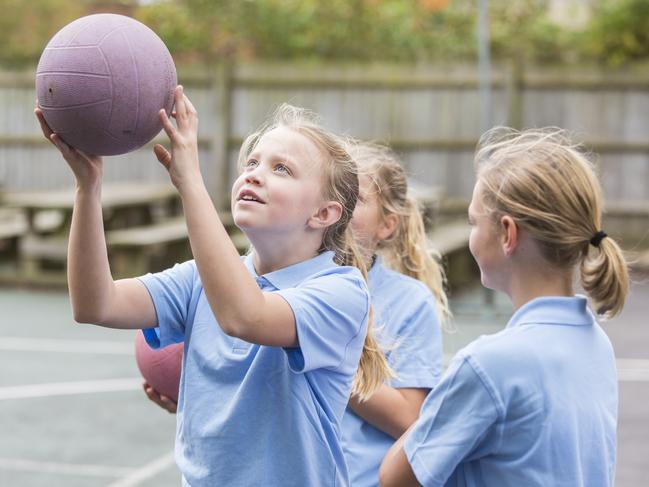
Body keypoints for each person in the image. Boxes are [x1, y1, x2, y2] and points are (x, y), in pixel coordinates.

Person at [35, 86, 392, 487]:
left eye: (282, 169)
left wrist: (190, 182)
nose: (254, 172)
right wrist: (88, 187)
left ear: (323, 213)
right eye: (253, 162)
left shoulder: (340, 292)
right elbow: (95, 304)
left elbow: (244, 316)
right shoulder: (199, 279)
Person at [380, 127, 628, 487]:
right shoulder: (597, 346)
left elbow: (394, 478)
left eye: (473, 221)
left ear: (508, 234)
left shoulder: (488, 365)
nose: (471, 234)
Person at [341, 141, 450, 487]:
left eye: (354, 197)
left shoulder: (409, 302)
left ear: (386, 226)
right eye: (330, 189)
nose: (338, 202)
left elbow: (409, 416)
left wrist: (326, 357)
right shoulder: (283, 286)